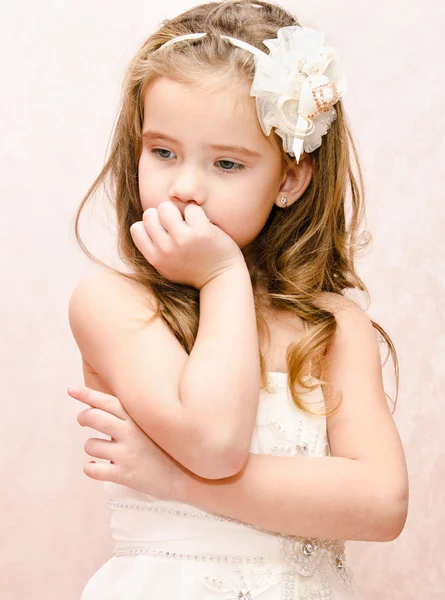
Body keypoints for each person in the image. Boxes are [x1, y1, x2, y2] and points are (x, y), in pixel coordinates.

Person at [67, 1, 409, 598]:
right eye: (163, 152)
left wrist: (177, 481)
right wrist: (223, 277)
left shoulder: (332, 327)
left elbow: (383, 504)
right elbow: (215, 441)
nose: (185, 186)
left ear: (288, 178)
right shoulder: (114, 305)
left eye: (226, 163)